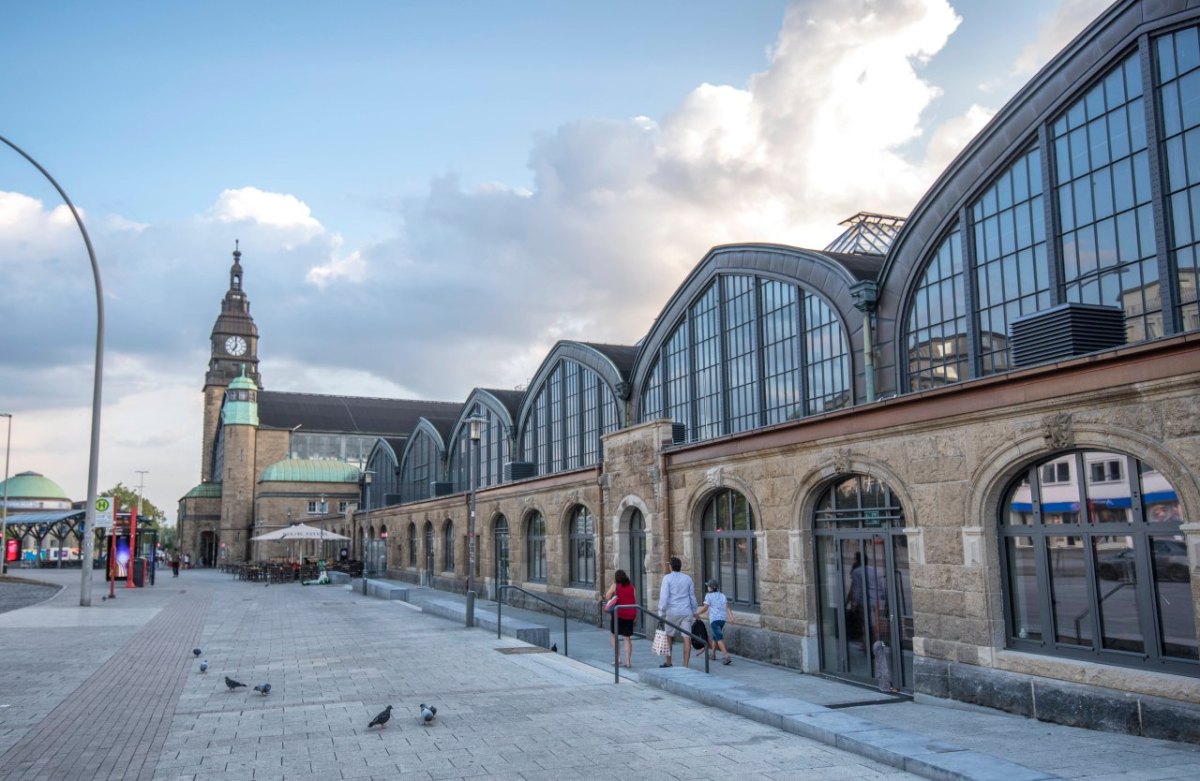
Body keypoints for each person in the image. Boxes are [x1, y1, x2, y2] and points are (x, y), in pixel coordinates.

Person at [657, 556, 698, 668]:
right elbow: (692, 597)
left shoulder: (667, 578)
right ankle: (685, 665)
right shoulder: (688, 578)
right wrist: (695, 611)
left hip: (672, 611)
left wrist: (661, 612)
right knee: (686, 638)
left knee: (669, 636)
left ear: (670, 567)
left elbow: (664, 597)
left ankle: (668, 661)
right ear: (680, 567)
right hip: (686, 611)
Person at [846, 552, 887, 650]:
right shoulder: (874, 570)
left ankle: (870, 644)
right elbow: (881, 586)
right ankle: (873, 643)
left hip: (864, 602)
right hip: (875, 600)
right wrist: (883, 599)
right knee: (874, 622)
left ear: (857, 560)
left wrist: (853, 603)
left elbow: (856, 589)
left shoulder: (856, 571)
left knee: (865, 623)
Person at [601, 569, 637, 668]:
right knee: (627, 638)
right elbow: (634, 600)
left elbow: (607, 596)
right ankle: (628, 662)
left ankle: (618, 659)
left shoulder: (615, 586)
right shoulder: (632, 587)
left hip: (618, 614)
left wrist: (612, 592)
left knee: (614, 635)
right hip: (630, 614)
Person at [696, 578, 733, 665]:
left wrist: (697, 613)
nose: (707, 587)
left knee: (719, 637)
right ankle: (713, 654)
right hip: (722, 619)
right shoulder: (722, 595)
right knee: (715, 636)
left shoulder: (708, 596)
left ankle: (726, 656)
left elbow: (705, 608)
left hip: (714, 620)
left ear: (711, 588)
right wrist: (731, 617)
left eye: (708, 586)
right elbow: (727, 607)